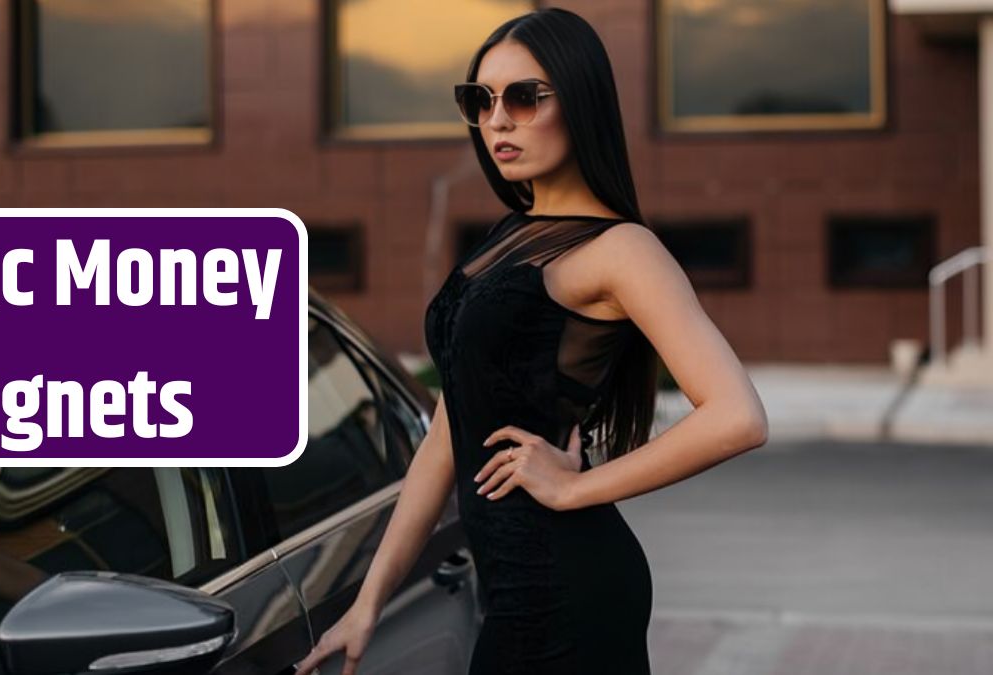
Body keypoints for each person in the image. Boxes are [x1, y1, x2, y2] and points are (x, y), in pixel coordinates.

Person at [294, 7, 768, 675]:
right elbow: (447, 434)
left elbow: (737, 416)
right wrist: (370, 598)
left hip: (566, 591)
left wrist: (580, 488)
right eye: (480, 101)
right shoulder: (509, 233)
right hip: (512, 585)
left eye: (524, 97)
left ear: (581, 101)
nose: (497, 120)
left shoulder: (622, 249)